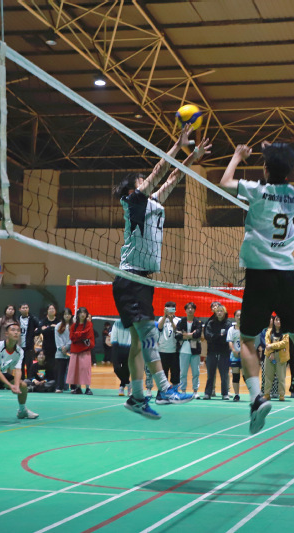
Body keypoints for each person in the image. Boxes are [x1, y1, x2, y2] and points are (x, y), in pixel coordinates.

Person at [219, 141, 294, 434]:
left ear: (265, 168)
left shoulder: (256, 190)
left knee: (247, 341)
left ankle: (256, 398)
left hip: (259, 275)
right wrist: (274, 152)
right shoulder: (291, 194)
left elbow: (225, 182)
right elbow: (280, 169)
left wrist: (237, 156)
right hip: (286, 276)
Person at [111, 127, 208, 418]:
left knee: (138, 344)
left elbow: (173, 176)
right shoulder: (133, 202)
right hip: (131, 278)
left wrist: (192, 157)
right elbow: (160, 170)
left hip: (142, 280)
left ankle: (136, 398)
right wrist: (177, 145)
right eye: (141, 181)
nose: (147, 181)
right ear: (133, 189)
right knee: (149, 333)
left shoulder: (153, 203)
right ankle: (165, 389)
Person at [204, 304, 233, 400]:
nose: (219, 313)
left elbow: (226, 338)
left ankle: (225, 393)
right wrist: (219, 336)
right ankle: (207, 393)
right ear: (215, 313)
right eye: (218, 311)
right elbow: (208, 336)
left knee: (224, 374)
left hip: (224, 353)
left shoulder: (228, 324)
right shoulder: (211, 323)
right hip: (212, 352)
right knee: (210, 374)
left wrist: (215, 337)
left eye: (221, 311)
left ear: (225, 313)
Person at [176, 302, 203, 397]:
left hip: (195, 350)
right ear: (185, 310)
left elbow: (197, 334)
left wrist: (184, 334)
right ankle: (183, 391)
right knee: (183, 372)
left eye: (192, 308)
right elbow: (177, 335)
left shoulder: (198, 322)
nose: (190, 310)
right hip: (183, 350)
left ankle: (195, 391)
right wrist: (191, 335)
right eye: (188, 308)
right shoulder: (181, 322)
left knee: (196, 372)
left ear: (194, 310)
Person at [155, 301, 180, 401]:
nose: (170, 311)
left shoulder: (178, 320)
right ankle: (161, 393)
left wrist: (171, 320)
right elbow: (159, 327)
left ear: (175, 310)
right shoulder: (161, 319)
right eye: (168, 309)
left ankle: (174, 392)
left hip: (174, 351)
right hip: (162, 350)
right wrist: (164, 316)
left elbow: (177, 330)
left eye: (172, 309)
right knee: (163, 374)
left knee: (175, 373)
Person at [263, 315, 290, 401]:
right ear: (274, 321)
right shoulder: (269, 332)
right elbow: (267, 343)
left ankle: (281, 395)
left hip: (281, 356)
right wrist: (271, 352)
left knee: (281, 377)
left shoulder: (285, 332)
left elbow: (284, 343)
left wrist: (272, 346)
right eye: (276, 320)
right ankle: (267, 394)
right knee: (268, 376)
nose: (278, 322)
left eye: (280, 320)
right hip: (269, 356)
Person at [68, 307, 94, 395]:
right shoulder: (73, 326)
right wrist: (81, 337)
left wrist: (77, 335)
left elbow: (87, 335)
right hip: (75, 350)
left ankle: (87, 388)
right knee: (76, 369)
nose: (83, 314)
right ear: (78, 314)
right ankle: (78, 388)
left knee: (85, 369)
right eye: (81, 313)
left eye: (84, 313)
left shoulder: (89, 324)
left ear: (86, 314)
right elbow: (72, 337)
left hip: (85, 350)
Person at [17, 303, 40, 380]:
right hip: (19, 346)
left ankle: (30, 380)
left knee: (29, 364)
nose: (25, 309)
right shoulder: (17, 319)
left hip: (29, 346)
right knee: (20, 364)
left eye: (26, 307)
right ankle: (21, 380)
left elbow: (40, 328)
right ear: (19, 309)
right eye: (23, 308)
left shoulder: (33, 319)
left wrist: (34, 333)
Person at [109, 320, 131, 396]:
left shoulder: (132, 323)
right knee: (116, 368)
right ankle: (128, 383)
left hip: (129, 348)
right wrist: (114, 345)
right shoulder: (117, 323)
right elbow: (114, 336)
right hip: (117, 347)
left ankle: (122, 386)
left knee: (126, 369)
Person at [54, 308, 73, 393]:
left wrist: (67, 346)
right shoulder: (58, 326)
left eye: (68, 314)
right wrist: (62, 347)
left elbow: (73, 337)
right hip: (60, 352)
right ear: (62, 315)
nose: (67, 316)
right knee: (61, 370)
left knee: (71, 371)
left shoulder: (74, 326)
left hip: (71, 351)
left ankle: (73, 387)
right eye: (65, 314)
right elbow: (57, 338)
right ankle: (59, 387)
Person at [227, 309, 243, 401]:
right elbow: (230, 341)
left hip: (245, 356)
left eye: (241, 315)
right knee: (235, 375)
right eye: (237, 315)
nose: (239, 317)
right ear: (234, 317)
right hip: (234, 356)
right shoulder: (231, 329)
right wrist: (234, 351)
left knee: (246, 376)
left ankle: (253, 395)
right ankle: (236, 395)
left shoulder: (246, 329)